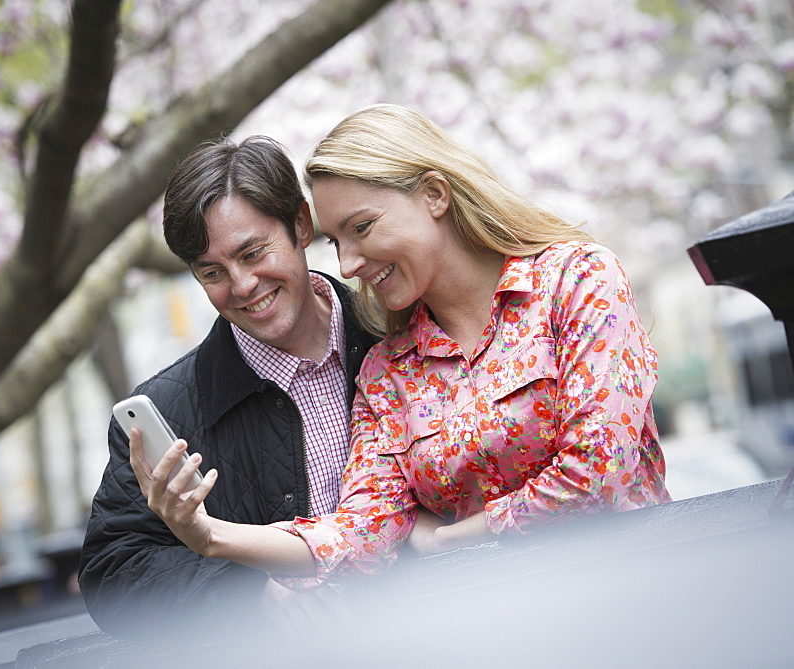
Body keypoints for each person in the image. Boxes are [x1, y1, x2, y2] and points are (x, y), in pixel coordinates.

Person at [131, 104, 672, 587]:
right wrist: (208, 536)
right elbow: (361, 536)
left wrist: (450, 538)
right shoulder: (387, 369)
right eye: (335, 241)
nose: (346, 264)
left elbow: (601, 473)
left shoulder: (576, 281)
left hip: (629, 593)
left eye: (361, 227)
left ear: (434, 194)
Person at [78, 136, 379, 634]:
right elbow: (112, 573)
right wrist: (246, 590)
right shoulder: (168, 410)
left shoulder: (400, 339)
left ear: (301, 225)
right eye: (212, 272)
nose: (241, 286)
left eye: (253, 252)